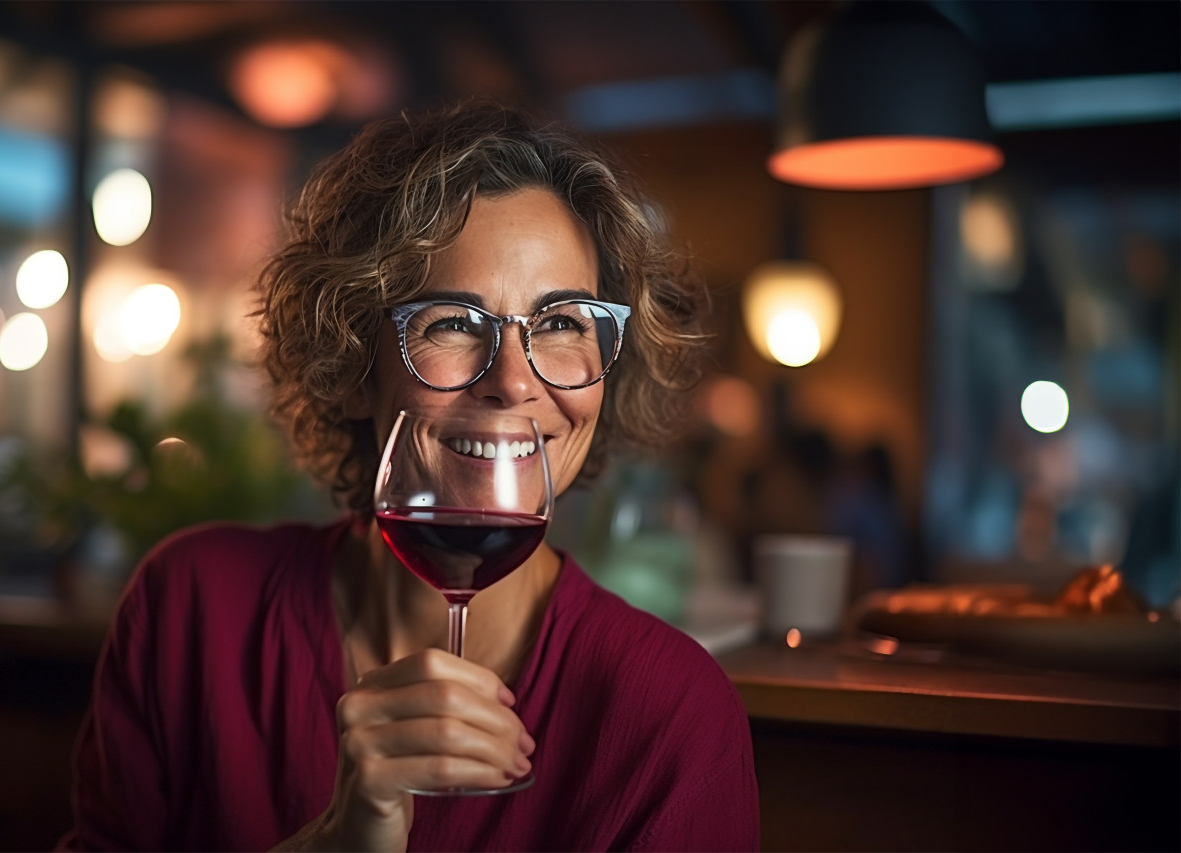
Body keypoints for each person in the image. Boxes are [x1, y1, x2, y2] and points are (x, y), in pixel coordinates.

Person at [60, 99, 760, 852]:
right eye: (454, 322)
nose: (514, 382)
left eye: (562, 323)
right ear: (356, 367)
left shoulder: (668, 711)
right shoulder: (193, 609)